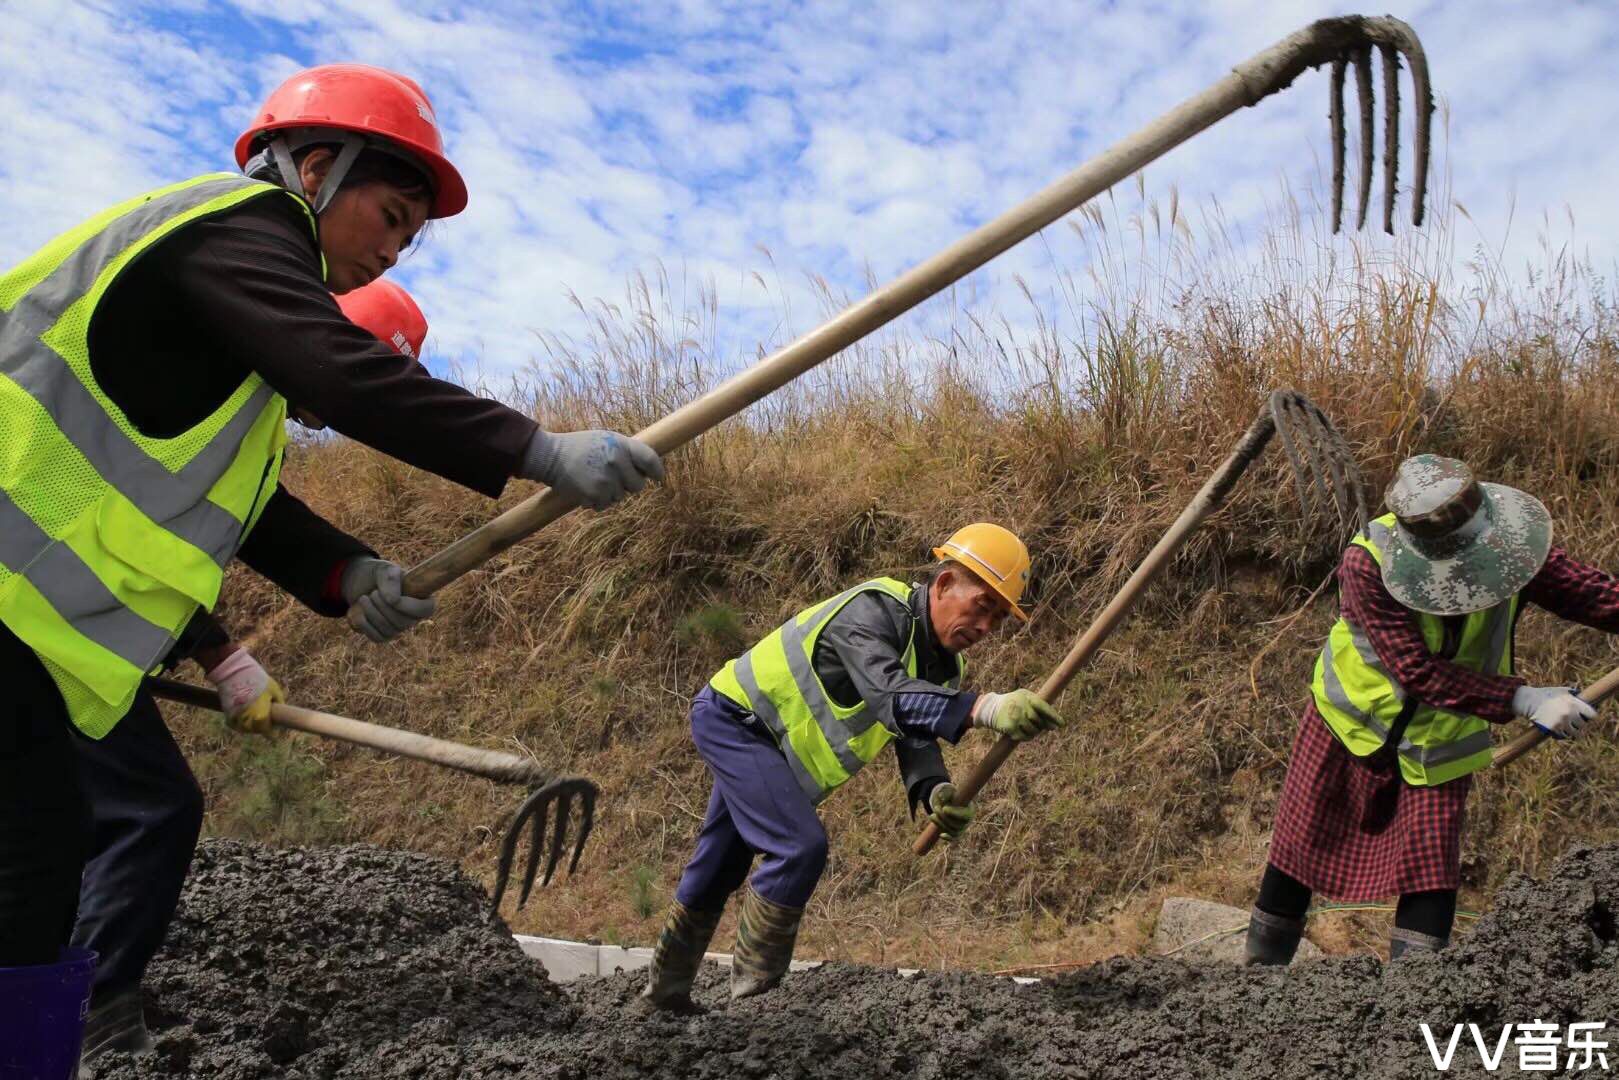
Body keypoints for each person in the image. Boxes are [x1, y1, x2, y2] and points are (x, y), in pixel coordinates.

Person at [0, 60, 662, 1052]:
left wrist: (345, 575)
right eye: (391, 216)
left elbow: (253, 512)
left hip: (33, 641)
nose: (394, 251)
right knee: (38, 863)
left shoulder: (236, 382)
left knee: (42, 861)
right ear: (315, 165)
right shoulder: (233, 226)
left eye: (409, 235)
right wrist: (537, 450)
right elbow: (341, 373)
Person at [70, 279, 442, 1062]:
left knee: (76, 818)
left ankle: (60, 987)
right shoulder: (201, 387)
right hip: (50, 627)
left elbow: (249, 518)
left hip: (82, 633)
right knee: (149, 809)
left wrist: (342, 576)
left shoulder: (247, 417)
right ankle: (88, 1009)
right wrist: (221, 650)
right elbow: (135, 522)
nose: (343, 405)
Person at [638, 523, 1067, 1012]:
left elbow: (914, 735)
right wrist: (984, 708)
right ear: (945, 584)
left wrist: (934, 790)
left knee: (721, 862)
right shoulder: (873, 610)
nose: (986, 628)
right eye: (983, 606)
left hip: (775, 754)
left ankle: (662, 996)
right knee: (799, 848)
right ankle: (756, 1009)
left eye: (997, 619)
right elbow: (890, 697)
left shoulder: (944, 666)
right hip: (738, 720)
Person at [1244, 455, 1619, 965]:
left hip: (1440, 740)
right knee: (1299, 850)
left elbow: (1588, 594)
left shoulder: (1513, 546)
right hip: (1351, 723)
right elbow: (1414, 670)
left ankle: (1416, 1001)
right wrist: (1522, 697)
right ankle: (1258, 980)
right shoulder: (1369, 564)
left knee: (1430, 873)